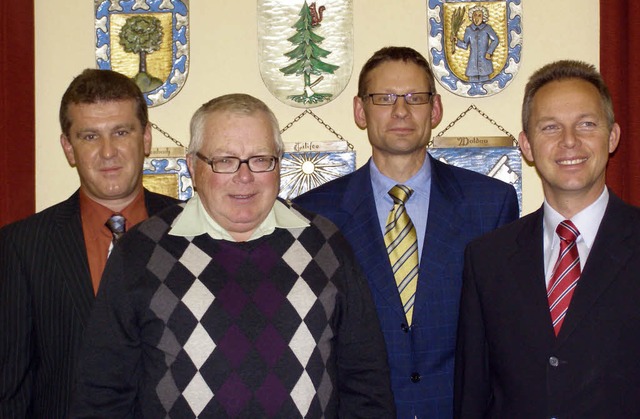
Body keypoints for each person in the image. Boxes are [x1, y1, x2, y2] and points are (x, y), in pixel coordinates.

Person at [70, 93, 396, 418]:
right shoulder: (140, 253)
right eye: (224, 161)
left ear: (279, 163)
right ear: (192, 167)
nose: (244, 176)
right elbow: (101, 396)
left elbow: (367, 386)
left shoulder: (326, 246)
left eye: (260, 159)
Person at [294, 46, 519, 417]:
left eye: (415, 98)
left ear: (436, 109)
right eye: (384, 98)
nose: (401, 110)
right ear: (359, 111)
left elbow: (506, 336)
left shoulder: (490, 204)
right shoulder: (316, 213)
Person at [454, 60, 640, 417]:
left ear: (613, 136)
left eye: (586, 124)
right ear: (526, 145)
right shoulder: (487, 260)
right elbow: (473, 394)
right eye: (550, 127)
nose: (569, 141)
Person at [0, 69, 179, 417]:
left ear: (146, 139)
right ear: (69, 148)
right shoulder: (21, 247)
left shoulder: (193, 231)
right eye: (90, 136)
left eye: (121, 132)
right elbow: (10, 387)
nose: (108, 152)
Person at [453, 5, 498, 82]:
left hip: (485, 63)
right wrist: (457, 41)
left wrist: (489, 52)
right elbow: (465, 45)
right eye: (475, 15)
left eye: (479, 15)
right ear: (471, 16)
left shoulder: (487, 28)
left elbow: (495, 40)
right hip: (472, 65)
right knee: (472, 81)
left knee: (486, 82)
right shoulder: (469, 29)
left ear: (483, 17)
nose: (477, 18)